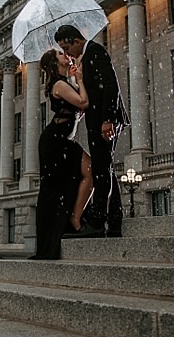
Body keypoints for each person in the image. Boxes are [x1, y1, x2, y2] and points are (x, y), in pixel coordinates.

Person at [55, 24, 130, 238]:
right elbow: (90, 96)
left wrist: (107, 119)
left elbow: (110, 85)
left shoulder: (95, 51)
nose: (67, 53)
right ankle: (114, 221)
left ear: (77, 41)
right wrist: (78, 78)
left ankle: (97, 221)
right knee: (104, 168)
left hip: (105, 121)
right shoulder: (84, 59)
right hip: (97, 121)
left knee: (100, 169)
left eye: (67, 48)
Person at [30, 48, 93, 260]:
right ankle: (74, 221)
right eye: (59, 53)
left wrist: (76, 81)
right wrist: (80, 80)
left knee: (82, 176)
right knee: (62, 185)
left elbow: (79, 109)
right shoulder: (59, 84)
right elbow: (83, 102)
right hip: (55, 142)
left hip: (63, 140)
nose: (64, 53)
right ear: (53, 62)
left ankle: (73, 220)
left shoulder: (65, 82)